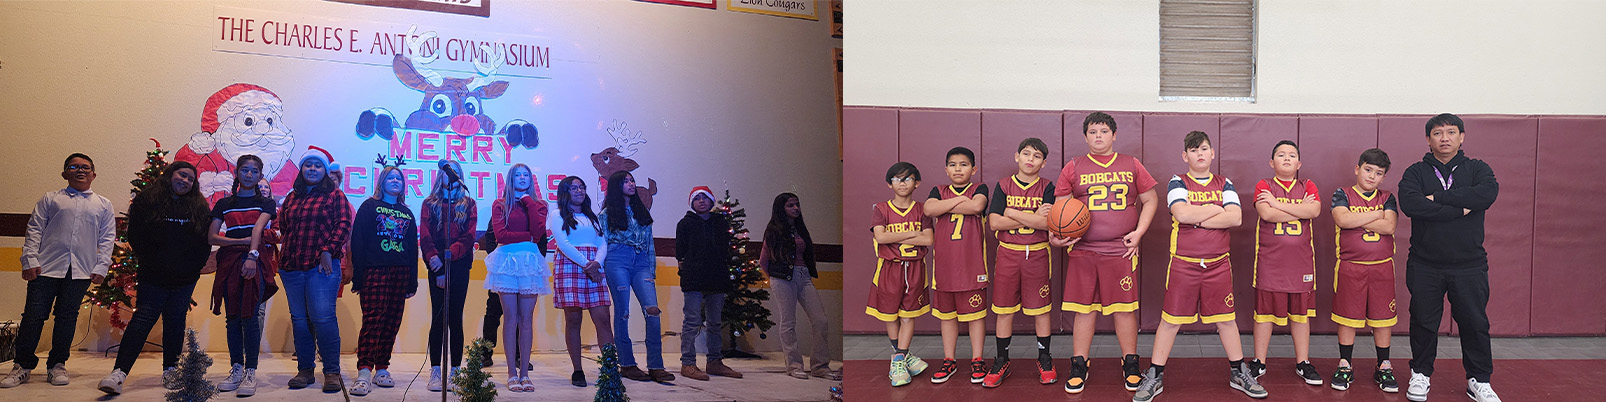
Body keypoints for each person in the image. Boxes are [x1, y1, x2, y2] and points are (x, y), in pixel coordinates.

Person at [1133, 131, 1266, 401]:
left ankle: (1239, 371)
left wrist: (1198, 216)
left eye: (1204, 149)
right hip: (1184, 263)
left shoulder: (1224, 182)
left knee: (1226, 320)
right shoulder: (1177, 181)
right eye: (1194, 150)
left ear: (1213, 153)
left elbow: (1236, 218)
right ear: (1185, 156)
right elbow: (1181, 213)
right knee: (1170, 321)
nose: (1200, 154)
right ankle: (1155, 374)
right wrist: (1216, 209)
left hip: (1218, 264)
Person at [1049, 113, 1160, 393]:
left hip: (1120, 250)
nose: (1098, 136)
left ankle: (1131, 363)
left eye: (1104, 131)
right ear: (1085, 136)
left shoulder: (1131, 163)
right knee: (1084, 311)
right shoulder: (1073, 166)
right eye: (1093, 131)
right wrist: (1057, 235)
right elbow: (1059, 211)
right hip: (1083, 250)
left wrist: (1139, 232)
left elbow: (1150, 200)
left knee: (1124, 310)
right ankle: (1079, 364)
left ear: (1114, 135)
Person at [1397, 113, 1501, 402]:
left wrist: (1436, 198)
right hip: (1424, 263)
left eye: (1451, 132)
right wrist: (1459, 207)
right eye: (1438, 133)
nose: (1445, 138)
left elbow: (1486, 195)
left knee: (1474, 322)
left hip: (1469, 263)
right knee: (1423, 321)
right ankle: (1420, 374)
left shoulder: (1478, 168)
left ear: (1461, 137)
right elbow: (1411, 203)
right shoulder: (1416, 172)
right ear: (1428, 139)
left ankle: (1479, 380)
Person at [97, 161, 214, 394]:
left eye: (191, 179)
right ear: (170, 175)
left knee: (175, 321)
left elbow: (204, 242)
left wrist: (194, 268)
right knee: (142, 321)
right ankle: (118, 373)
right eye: (182, 175)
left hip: (184, 278)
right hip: (153, 275)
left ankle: (171, 370)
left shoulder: (199, 206)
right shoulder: (146, 200)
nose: (186, 181)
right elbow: (136, 237)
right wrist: (155, 263)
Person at [2, 154, 115, 389]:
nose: (80, 171)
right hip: (45, 268)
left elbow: (107, 238)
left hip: (81, 270)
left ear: (94, 174)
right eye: (73, 167)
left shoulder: (103, 204)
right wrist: (29, 260)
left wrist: (101, 266)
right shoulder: (50, 199)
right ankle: (22, 365)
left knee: (66, 317)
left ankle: (57, 364)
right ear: (65, 174)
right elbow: (34, 229)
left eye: (86, 167)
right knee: (34, 316)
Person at [275, 146, 352, 393]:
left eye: (317, 166)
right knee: (300, 320)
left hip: (322, 268)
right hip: (291, 267)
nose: (312, 169)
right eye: (308, 165)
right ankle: (305, 371)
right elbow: (284, 226)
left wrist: (328, 250)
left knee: (323, 318)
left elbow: (343, 224)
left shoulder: (335, 196)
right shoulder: (291, 197)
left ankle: (331, 372)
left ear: (325, 171)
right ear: (301, 169)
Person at [983, 138, 1057, 388]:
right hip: (1008, 253)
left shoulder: (1048, 187)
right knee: (1004, 309)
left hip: (1037, 253)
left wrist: (1012, 213)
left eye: (1036, 156)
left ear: (1044, 163)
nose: (1030, 159)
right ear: (1016, 156)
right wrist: (1031, 217)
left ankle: (1044, 358)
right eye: (1026, 154)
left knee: (1041, 309)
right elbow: (994, 222)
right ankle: (1002, 359)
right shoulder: (1003, 185)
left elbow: (1047, 224)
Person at [1247, 140, 1323, 386]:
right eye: (1281, 155)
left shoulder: (1308, 185)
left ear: (1299, 163)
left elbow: (1314, 211)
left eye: (1292, 155)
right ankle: (1259, 361)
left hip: (1301, 264)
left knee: (1301, 315)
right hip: (1270, 263)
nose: (1287, 158)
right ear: (1272, 162)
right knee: (1264, 314)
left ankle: (1303, 362)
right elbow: (1266, 214)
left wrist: (1278, 203)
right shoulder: (1264, 184)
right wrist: (1300, 208)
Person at [208, 155, 281, 397]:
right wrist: (241, 241)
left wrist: (251, 255)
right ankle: (236, 368)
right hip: (229, 264)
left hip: (255, 262)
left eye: (254, 171)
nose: (249, 174)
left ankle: (251, 370)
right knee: (233, 318)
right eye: (244, 170)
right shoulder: (223, 203)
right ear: (237, 173)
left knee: (249, 317)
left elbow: (258, 230)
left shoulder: (267, 204)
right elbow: (212, 237)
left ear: (260, 175)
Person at [1329, 148, 1400, 393]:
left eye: (1378, 173)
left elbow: (1389, 226)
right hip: (1350, 267)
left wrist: (1358, 218)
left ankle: (1383, 366)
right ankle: (1345, 364)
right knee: (1348, 319)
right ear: (1357, 169)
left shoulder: (1388, 196)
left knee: (1382, 320)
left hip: (1381, 268)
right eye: (1368, 170)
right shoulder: (1343, 193)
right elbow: (1343, 220)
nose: (1372, 176)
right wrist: (1375, 215)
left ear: (1383, 177)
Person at [347, 164, 420, 396]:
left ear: (403, 185)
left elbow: (411, 250)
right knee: (373, 320)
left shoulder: (407, 213)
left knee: (392, 322)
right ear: (382, 183)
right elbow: (357, 242)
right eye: (391, 178)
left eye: (399, 178)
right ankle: (364, 371)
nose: (395, 181)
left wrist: (413, 281)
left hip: (401, 272)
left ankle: (382, 369)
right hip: (374, 271)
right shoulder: (369, 207)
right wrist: (358, 276)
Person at [921, 147, 990, 384]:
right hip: (944, 269)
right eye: (953, 164)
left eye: (963, 164)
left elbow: (976, 207)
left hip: (972, 267)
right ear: (946, 169)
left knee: (975, 317)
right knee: (947, 317)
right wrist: (961, 200)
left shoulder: (980, 188)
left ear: (973, 169)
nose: (958, 169)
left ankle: (977, 359)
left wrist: (949, 204)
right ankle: (949, 360)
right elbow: (929, 209)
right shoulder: (937, 190)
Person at [601, 170, 675, 383]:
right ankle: (627, 364)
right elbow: (603, 244)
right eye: (626, 181)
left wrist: (651, 271)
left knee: (653, 311)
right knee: (623, 312)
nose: (631, 184)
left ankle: (656, 366)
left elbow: (650, 244)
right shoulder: (606, 215)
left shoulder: (641, 212)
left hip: (641, 262)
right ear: (616, 186)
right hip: (617, 261)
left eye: (632, 180)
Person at [487, 163, 552, 392]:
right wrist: (528, 237)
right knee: (510, 318)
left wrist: (527, 202)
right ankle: (511, 373)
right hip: (506, 261)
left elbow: (538, 232)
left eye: (526, 175)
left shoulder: (539, 205)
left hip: (530, 263)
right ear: (510, 179)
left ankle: (525, 374)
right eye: (518, 175)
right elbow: (500, 235)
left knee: (526, 320)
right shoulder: (500, 204)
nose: (522, 178)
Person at [868, 162, 934, 387]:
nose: (902, 182)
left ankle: (898, 358)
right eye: (897, 178)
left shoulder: (922, 209)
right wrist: (911, 232)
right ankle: (904, 356)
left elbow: (928, 240)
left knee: (908, 316)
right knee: (890, 315)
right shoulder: (881, 208)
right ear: (889, 183)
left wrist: (896, 235)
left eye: (908, 178)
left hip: (914, 268)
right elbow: (881, 237)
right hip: (889, 268)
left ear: (917, 183)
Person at [763, 192, 840, 381]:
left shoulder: (800, 228)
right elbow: (763, 261)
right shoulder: (773, 230)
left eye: (797, 204)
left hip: (804, 276)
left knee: (821, 321)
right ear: (781, 209)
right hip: (782, 278)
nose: (795, 208)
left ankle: (820, 366)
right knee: (788, 322)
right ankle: (794, 365)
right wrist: (774, 280)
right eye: (790, 205)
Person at [549, 176, 614, 387]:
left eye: (582, 187)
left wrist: (596, 263)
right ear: (564, 192)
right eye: (574, 188)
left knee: (603, 319)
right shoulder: (557, 214)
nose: (579, 191)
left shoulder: (592, 216)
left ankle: (609, 370)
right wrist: (587, 263)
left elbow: (602, 242)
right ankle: (578, 370)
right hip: (571, 265)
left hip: (595, 267)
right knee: (574, 321)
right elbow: (563, 243)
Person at [420, 160, 478, 391]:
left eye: (453, 170)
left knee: (455, 317)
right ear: (439, 176)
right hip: (435, 266)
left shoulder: (469, 203)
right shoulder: (429, 203)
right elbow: (425, 235)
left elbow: (468, 237)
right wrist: (435, 260)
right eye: (445, 170)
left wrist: (449, 256)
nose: (448, 174)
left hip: (460, 266)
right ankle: (435, 370)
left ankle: (455, 370)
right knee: (438, 317)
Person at [674, 186, 743, 381]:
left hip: (717, 277)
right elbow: (680, 252)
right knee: (691, 322)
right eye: (697, 198)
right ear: (692, 203)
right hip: (693, 279)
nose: (702, 201)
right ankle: (688, 363)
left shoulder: (721, 222)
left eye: (705, 198)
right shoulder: (685, 223)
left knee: (715, 322)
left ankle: (714, 362)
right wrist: (686, 270)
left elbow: (725, 249)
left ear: (712, 201)